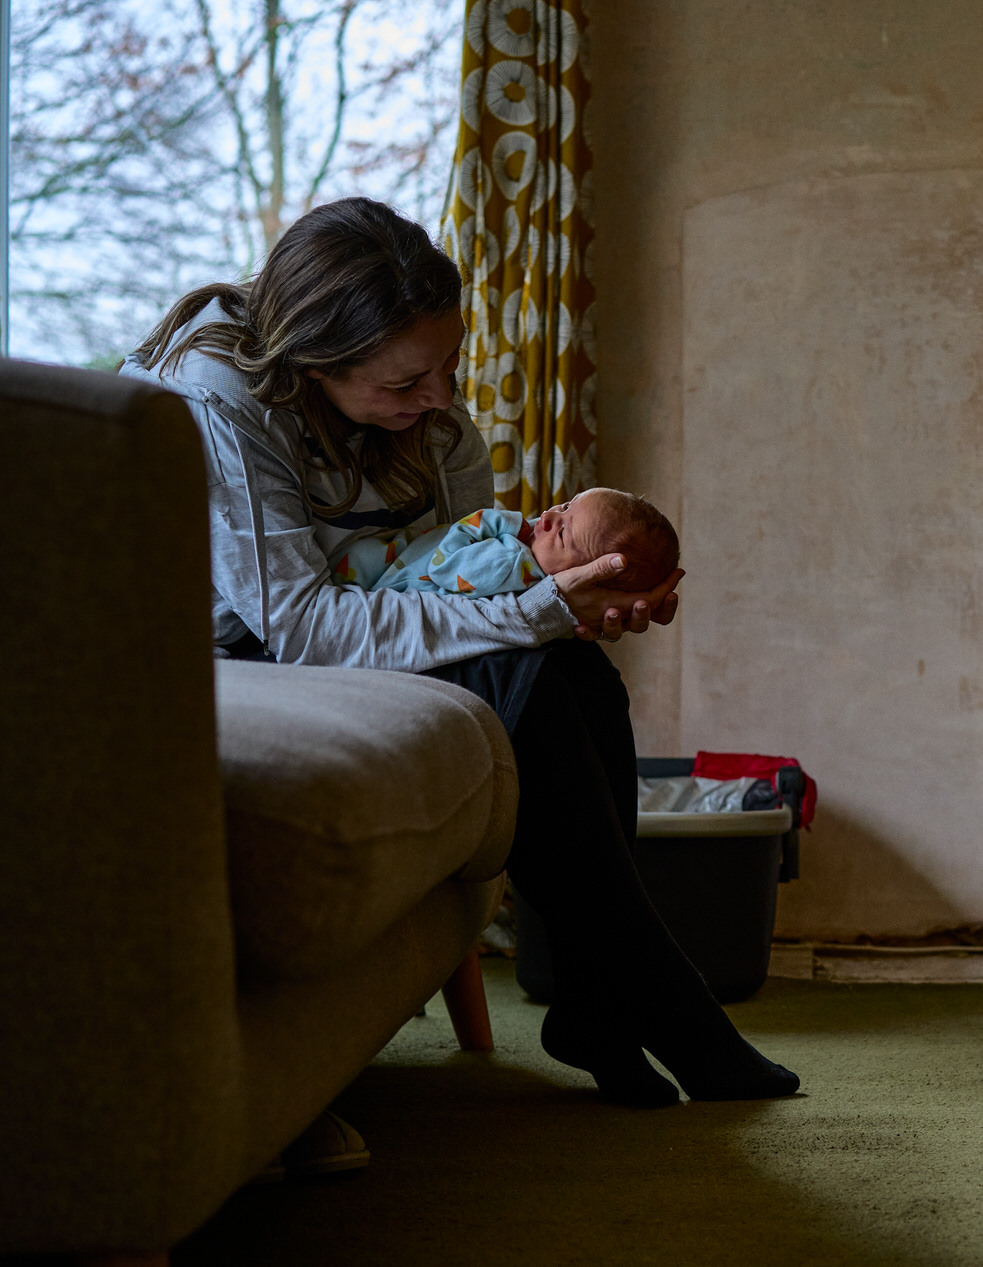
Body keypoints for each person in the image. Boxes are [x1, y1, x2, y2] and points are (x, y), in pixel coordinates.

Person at [120, 197, 797, 1117]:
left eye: (449, 365)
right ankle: (654, 1001)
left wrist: (563, 602)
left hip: (329, 637)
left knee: (569, 668)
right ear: (316, 358)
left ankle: (605, 1000)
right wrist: (531, 613)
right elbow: (305, 628)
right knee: (529, 656)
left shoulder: (426, 420)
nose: (442, 402)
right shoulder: (220, 399)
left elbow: (450, 581)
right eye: (405, 385)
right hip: (221, 654)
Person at [334, 488, 679, 600]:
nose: (546, 516)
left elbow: (446, 566)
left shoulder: (512, 563)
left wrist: (493, 521)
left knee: (358, 557)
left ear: (586, 575)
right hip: (405, 558)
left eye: (562, 533)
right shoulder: (533, 554)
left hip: (388, 583)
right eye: (565, 506)